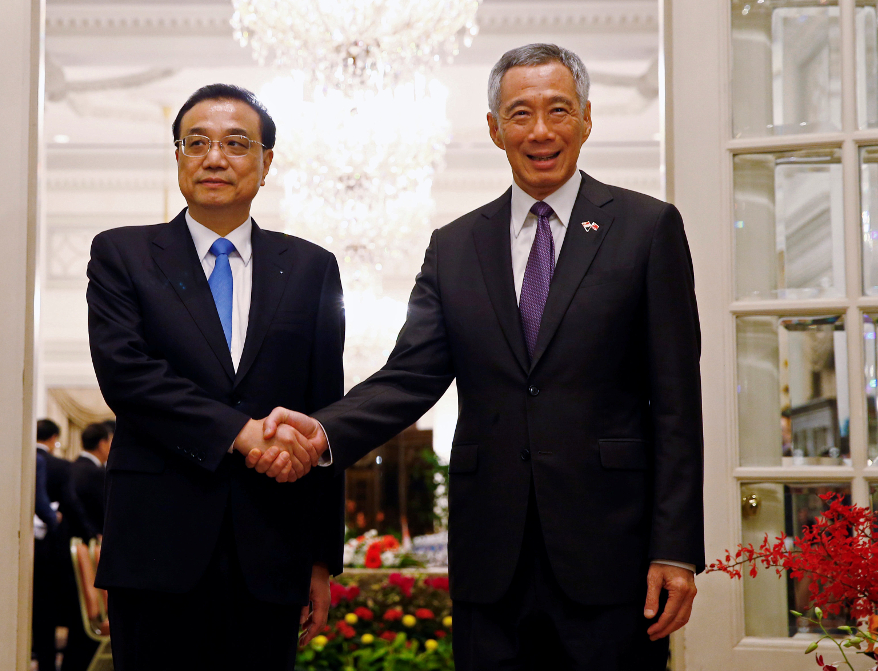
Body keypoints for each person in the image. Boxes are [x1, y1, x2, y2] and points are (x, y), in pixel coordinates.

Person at [255, 43, 705, 670]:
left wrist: (676, 548)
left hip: (611, 553)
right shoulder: (454, 245)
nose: (541, 130)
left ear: (587, 119)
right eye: (520, 114)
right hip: (491, 559)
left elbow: (678, 405)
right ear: (494, 129)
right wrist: (323, 430)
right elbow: (411, 376)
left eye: (558, 110)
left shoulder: (648, 228)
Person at [86, 84, 346, 670]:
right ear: (178, 155)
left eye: (235, 143)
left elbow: (325, 414)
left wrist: (321, 559)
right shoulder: (123, 254)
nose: (214, 157)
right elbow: (127, 376)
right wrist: (242, 432)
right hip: (155, 548)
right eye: (196, 142)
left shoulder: (310, 268)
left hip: (273, 550)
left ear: (265, 161)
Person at [33, 419, 96, 671]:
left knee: (35, 609)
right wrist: (91, 534)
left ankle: (36, 655)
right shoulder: (61, 466)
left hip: (24, 545)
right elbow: (71, 505)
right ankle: (50, 664)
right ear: (54, 438)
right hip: (52, 550)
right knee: (51, 608)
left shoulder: (21, 459)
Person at [70, 422, 110, 541]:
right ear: (102, 444)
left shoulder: (71, 465)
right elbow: (103, 509)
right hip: (94, 538)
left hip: (73, 534)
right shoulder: (98, 473)